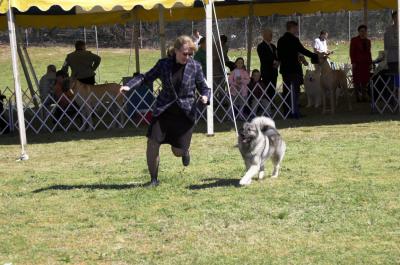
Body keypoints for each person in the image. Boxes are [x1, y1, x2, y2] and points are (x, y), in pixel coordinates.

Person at [120, 35, 210, 186]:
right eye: (184, 53)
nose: (187, 57)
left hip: (185, 114)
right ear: (176, 51)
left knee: (177, 152)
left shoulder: (195, 66)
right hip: (163, 111)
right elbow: (145, 77)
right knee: (152, 142)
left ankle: (185, 151)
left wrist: (205, 97)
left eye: (190, 54)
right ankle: (154, 179)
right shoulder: (164, 64)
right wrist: (129, 85)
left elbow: (205, 88)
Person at [277, 21, 319, 118]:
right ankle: (295, 112)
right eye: (296, 28)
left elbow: (279, 55)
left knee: (286, 91)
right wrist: (314, 55)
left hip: (285, 70)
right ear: (292, 28)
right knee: (295, 92)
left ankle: (287, 112)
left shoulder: (280, 40)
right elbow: (302, 50)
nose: (297, 30)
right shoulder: (294, 39)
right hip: (294, 69)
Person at [350, 25, 372, 102]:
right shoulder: (354, 40)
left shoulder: (368, 41)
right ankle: (357, 97)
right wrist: (353, 62)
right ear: (359, 32)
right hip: (357, 64)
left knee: (364, 81)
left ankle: (364, 96)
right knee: (356, 81)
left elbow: (369, 53)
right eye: (361, 31)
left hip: (365, 64)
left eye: (364, 31)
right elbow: (351, 52)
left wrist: (370, 63)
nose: (363, 33)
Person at [257, 28, 279, 101]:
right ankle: (267, 104)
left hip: (274, 71)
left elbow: (277, 56)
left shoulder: (273, 46)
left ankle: (271, 102)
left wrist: (278, 62)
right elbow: (264, 58)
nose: (271, 36)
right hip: (266, 71)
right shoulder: (260, 46)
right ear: (264, 36)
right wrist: (274, 62)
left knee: (273, 87)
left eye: (271, 34)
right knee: (267, 88)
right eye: (269, 34)